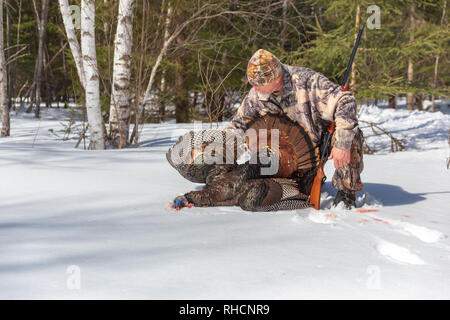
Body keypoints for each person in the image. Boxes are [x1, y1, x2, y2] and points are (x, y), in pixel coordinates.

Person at [226, 49, 364, 209]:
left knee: (350, 134)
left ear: (276, 79)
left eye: (260, 84)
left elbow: (345, 101)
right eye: (254, 84)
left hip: (313, 155)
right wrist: (221, 152)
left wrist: (342, 144)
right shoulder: (256, 96)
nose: (255, 89)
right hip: (282, 160)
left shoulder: (308, 82)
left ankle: (346, 193)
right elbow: (237, 126)